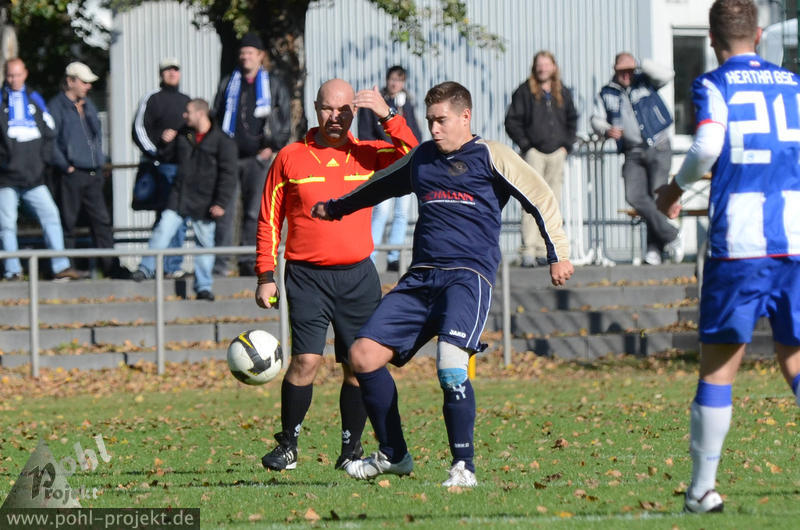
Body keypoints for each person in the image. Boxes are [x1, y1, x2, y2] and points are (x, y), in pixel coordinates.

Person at [311, 81, 574, 486]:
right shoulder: (422, 158)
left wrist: (558, 253)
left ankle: (463, 467)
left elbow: (540, 196)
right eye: (430, 120)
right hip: (420, 279)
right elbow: (378, 186)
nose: (433, 128)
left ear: (465, 117)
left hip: (467, 278)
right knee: (362, 356)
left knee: (451, 366)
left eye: (441, 120)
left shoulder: (491, 155)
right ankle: (394, 454)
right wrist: (335, 208)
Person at [656, 0, 800, 514]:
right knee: (795, 356)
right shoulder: (793, 84)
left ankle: (701, 490)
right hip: (795, 237)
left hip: (741, 244)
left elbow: (707, 145)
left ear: (713, 39)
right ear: (758, 35)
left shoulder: (715, 83)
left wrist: (673, 189)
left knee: (719, 365)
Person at [254, 78, 418, 472]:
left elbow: (416, 157)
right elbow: (268, 219)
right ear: (316, 108)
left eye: (344, 109)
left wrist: (388, 115)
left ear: (354, 112)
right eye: (328, 108)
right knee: (305, 361)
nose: (335, 116)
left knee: (359, 365)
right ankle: (288, 445)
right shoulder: (290, 157)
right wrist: (264, 274)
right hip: (306, 278)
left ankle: (351, 449)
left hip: (358, 278)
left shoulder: (368, 155)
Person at [132, 99, 236, 301]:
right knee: (163, 230)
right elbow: (165, 157)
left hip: (205, 201)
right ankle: (146, 268)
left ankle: (203, 287)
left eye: (188, 112)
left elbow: (228, 175)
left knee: (205, 244)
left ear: (200, 113)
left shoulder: (222, 141)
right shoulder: (183, 134)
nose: (184, 116)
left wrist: (221, 202)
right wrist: (165, 143)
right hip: (180, 196)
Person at [591, 52, 683, 265]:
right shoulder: (607, 92)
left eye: (630, 70)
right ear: (614, 70)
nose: (626, 75)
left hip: (658, 146)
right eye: (622, 71)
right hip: (632, 151)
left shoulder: (646, 81)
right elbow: (596, 119)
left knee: (657, 196)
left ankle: (654, 249)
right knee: (634, 195)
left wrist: (641, 64)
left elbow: (668, 75)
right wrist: (606, 129)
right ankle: (671, 235)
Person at [213, 32, 292, 277]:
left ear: (260, 56)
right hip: (229, 156)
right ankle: (221, 263)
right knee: (225, 210)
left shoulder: (273, 84)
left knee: (254, 211)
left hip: (259, 157)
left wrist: (272, 145)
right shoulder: (228, 82)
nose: (245, 57)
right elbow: (216, 114)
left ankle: (249, 261)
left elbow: (284, 119)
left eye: (250, 53)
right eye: (242, 53)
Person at [0, 58, 85, 281]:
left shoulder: (34, 99)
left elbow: (49, 132)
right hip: (7, 178)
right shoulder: (1, 100)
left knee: (51, 216)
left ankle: (60, 266)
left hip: (34, 177)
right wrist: (4, 161)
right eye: (10, 75)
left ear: (25, 74)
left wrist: (43, 161)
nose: (14, 79)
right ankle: (12, 270)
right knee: (6, 224)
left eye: (18, 75)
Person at [49, 62, 128, 278]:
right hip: (71, 174)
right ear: (70, 81)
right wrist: (66, 166)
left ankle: (111, 266)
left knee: (101, 221)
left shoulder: (88, 106)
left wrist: (100, 162)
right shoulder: (56, 107)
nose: (88, 86)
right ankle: (66, 268)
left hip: (93, 173)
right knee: (68, 222)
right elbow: (51, 142)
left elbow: (96, 137)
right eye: (84, 82)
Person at [505, 51, 578, 268]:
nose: (543, 68)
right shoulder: (524, 91)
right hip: (534, 154)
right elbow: (511, 122)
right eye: (539, 64)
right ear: (534, 67)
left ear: (554, 67)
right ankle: (528, 249)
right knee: (531, 199)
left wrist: (566, 146)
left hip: (557, 154)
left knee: (552, 202)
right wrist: (526, 146)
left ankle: (545, 249)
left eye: (546, 64)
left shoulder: (562, 91)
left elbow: (572, 119)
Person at [357, 65, 422, 271]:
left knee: (401, 212)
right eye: (393, 79)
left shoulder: (405, 103)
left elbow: (414, 133)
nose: (395, 84)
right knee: (381, 211)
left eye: (399, 80)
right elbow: (366, 134)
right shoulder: (376, 103)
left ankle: (394, 256)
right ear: (387, 80)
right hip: (383, 164)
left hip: (404, 164)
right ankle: (371, 255)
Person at [131, 57, 191, 279]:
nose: (172, 73)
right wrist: (156, 151)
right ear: (161, 74)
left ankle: (172, 266)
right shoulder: (152, 99)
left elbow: (197, 131)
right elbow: (138, 130)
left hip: (184, 169)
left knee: (180, 218)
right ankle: (157, 264)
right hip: (162, 167)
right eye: (168, 70)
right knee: (166, 216)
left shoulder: (187, 101)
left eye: (175, 69)